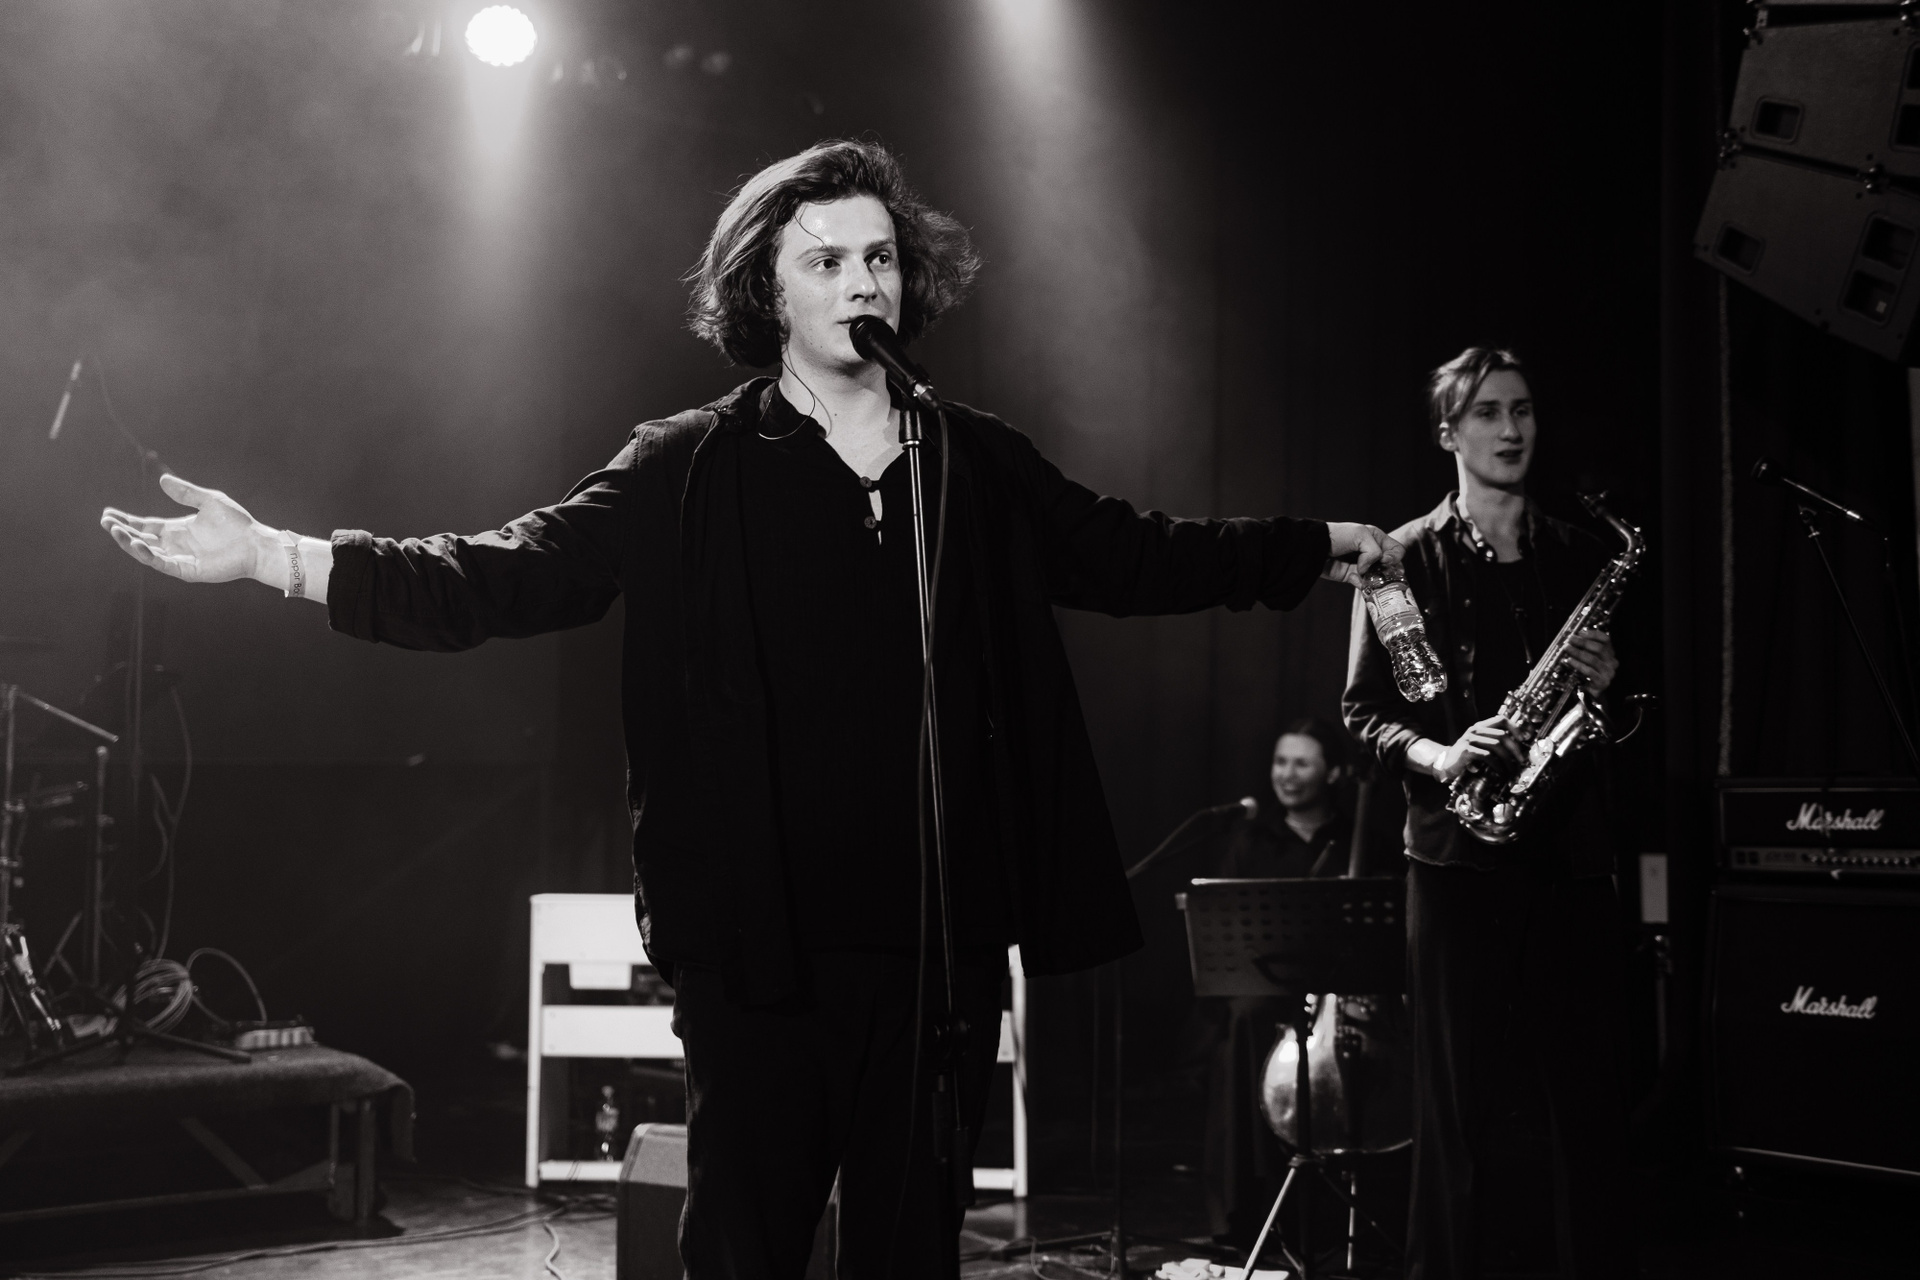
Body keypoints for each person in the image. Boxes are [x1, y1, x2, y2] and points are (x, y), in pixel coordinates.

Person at [100, 139, 1402, 1280]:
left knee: (911, 1250)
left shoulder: (970, 460)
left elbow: (1134, 552)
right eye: (826, 261)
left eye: (880, 259)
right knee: (744, 1243)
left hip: (935, 949)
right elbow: (500, 574)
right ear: (767, 291)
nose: (861, 283)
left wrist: (1314, 548)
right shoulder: (689, 466)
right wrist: (278, 555)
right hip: (758, 954)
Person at [1342, 347, 1629, 1279]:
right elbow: (1364, 714)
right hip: (1456, 861)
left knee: (1588, 1107)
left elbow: (1626, 724)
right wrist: (1442, 753)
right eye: (1488, 413)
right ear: (1448, 433)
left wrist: (1610, 689)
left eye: (1523, 410)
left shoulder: (1579, 554)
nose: (1512, 430)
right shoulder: (1397, 560)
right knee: (1454, 1111)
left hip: (1569, 855)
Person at [1202, 717, 1353, 1242]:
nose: (1287, 774)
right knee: (1244, 1020)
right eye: (1280, 762)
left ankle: (1332, 1209)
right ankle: (1247, 1205)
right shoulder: (1251, 840)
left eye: (1302, 763)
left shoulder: (1357, 840)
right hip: (1268, 991)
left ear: (1332, 773)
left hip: (1340, 994)